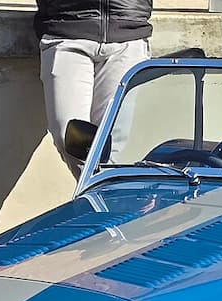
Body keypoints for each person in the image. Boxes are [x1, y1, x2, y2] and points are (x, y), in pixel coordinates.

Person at [35, 0, 152, 178]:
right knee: (69, 137)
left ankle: (100, 191)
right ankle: (100, 190)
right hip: (66, 28)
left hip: (128, 29)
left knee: (113, 141)